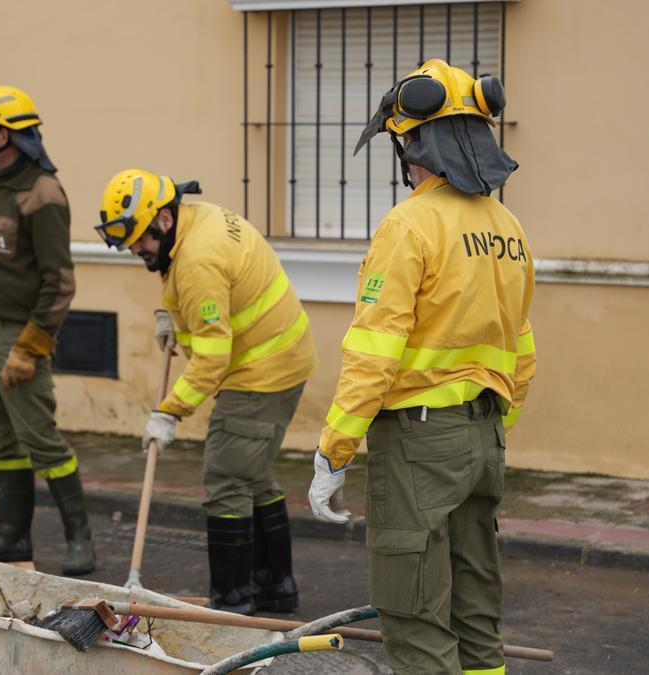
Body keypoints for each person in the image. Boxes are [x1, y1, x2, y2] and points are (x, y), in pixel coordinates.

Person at [308, 58, 537, 675]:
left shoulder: (409, 224)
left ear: (415, 144)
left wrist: (336, 449)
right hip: (485, 435)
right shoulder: (508, 228)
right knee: (475, 610)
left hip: (419, 441)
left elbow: (375, 350)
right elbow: (523, 349)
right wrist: (488, 433)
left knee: (414, 617)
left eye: (403, 141)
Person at [94, 169, 317, 615]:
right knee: (251, 476)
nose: (136, 250)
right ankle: (275, 586)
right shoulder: (196, 220)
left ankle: (233, 600)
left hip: (260, 373)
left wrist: (169, 412)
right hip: (283, 357)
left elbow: (212, 357)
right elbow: (182, 276)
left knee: (226, 480)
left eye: (139, 239)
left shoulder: (198, 259)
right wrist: (169, 314)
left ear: (163, 220)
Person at [0, 86, 94, 576]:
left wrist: (31, 348)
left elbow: (60, 282)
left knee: (40, 438)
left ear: (4, 135)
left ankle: (81, 540)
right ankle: (12, 537)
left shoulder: (43, 193)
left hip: (19, 335)